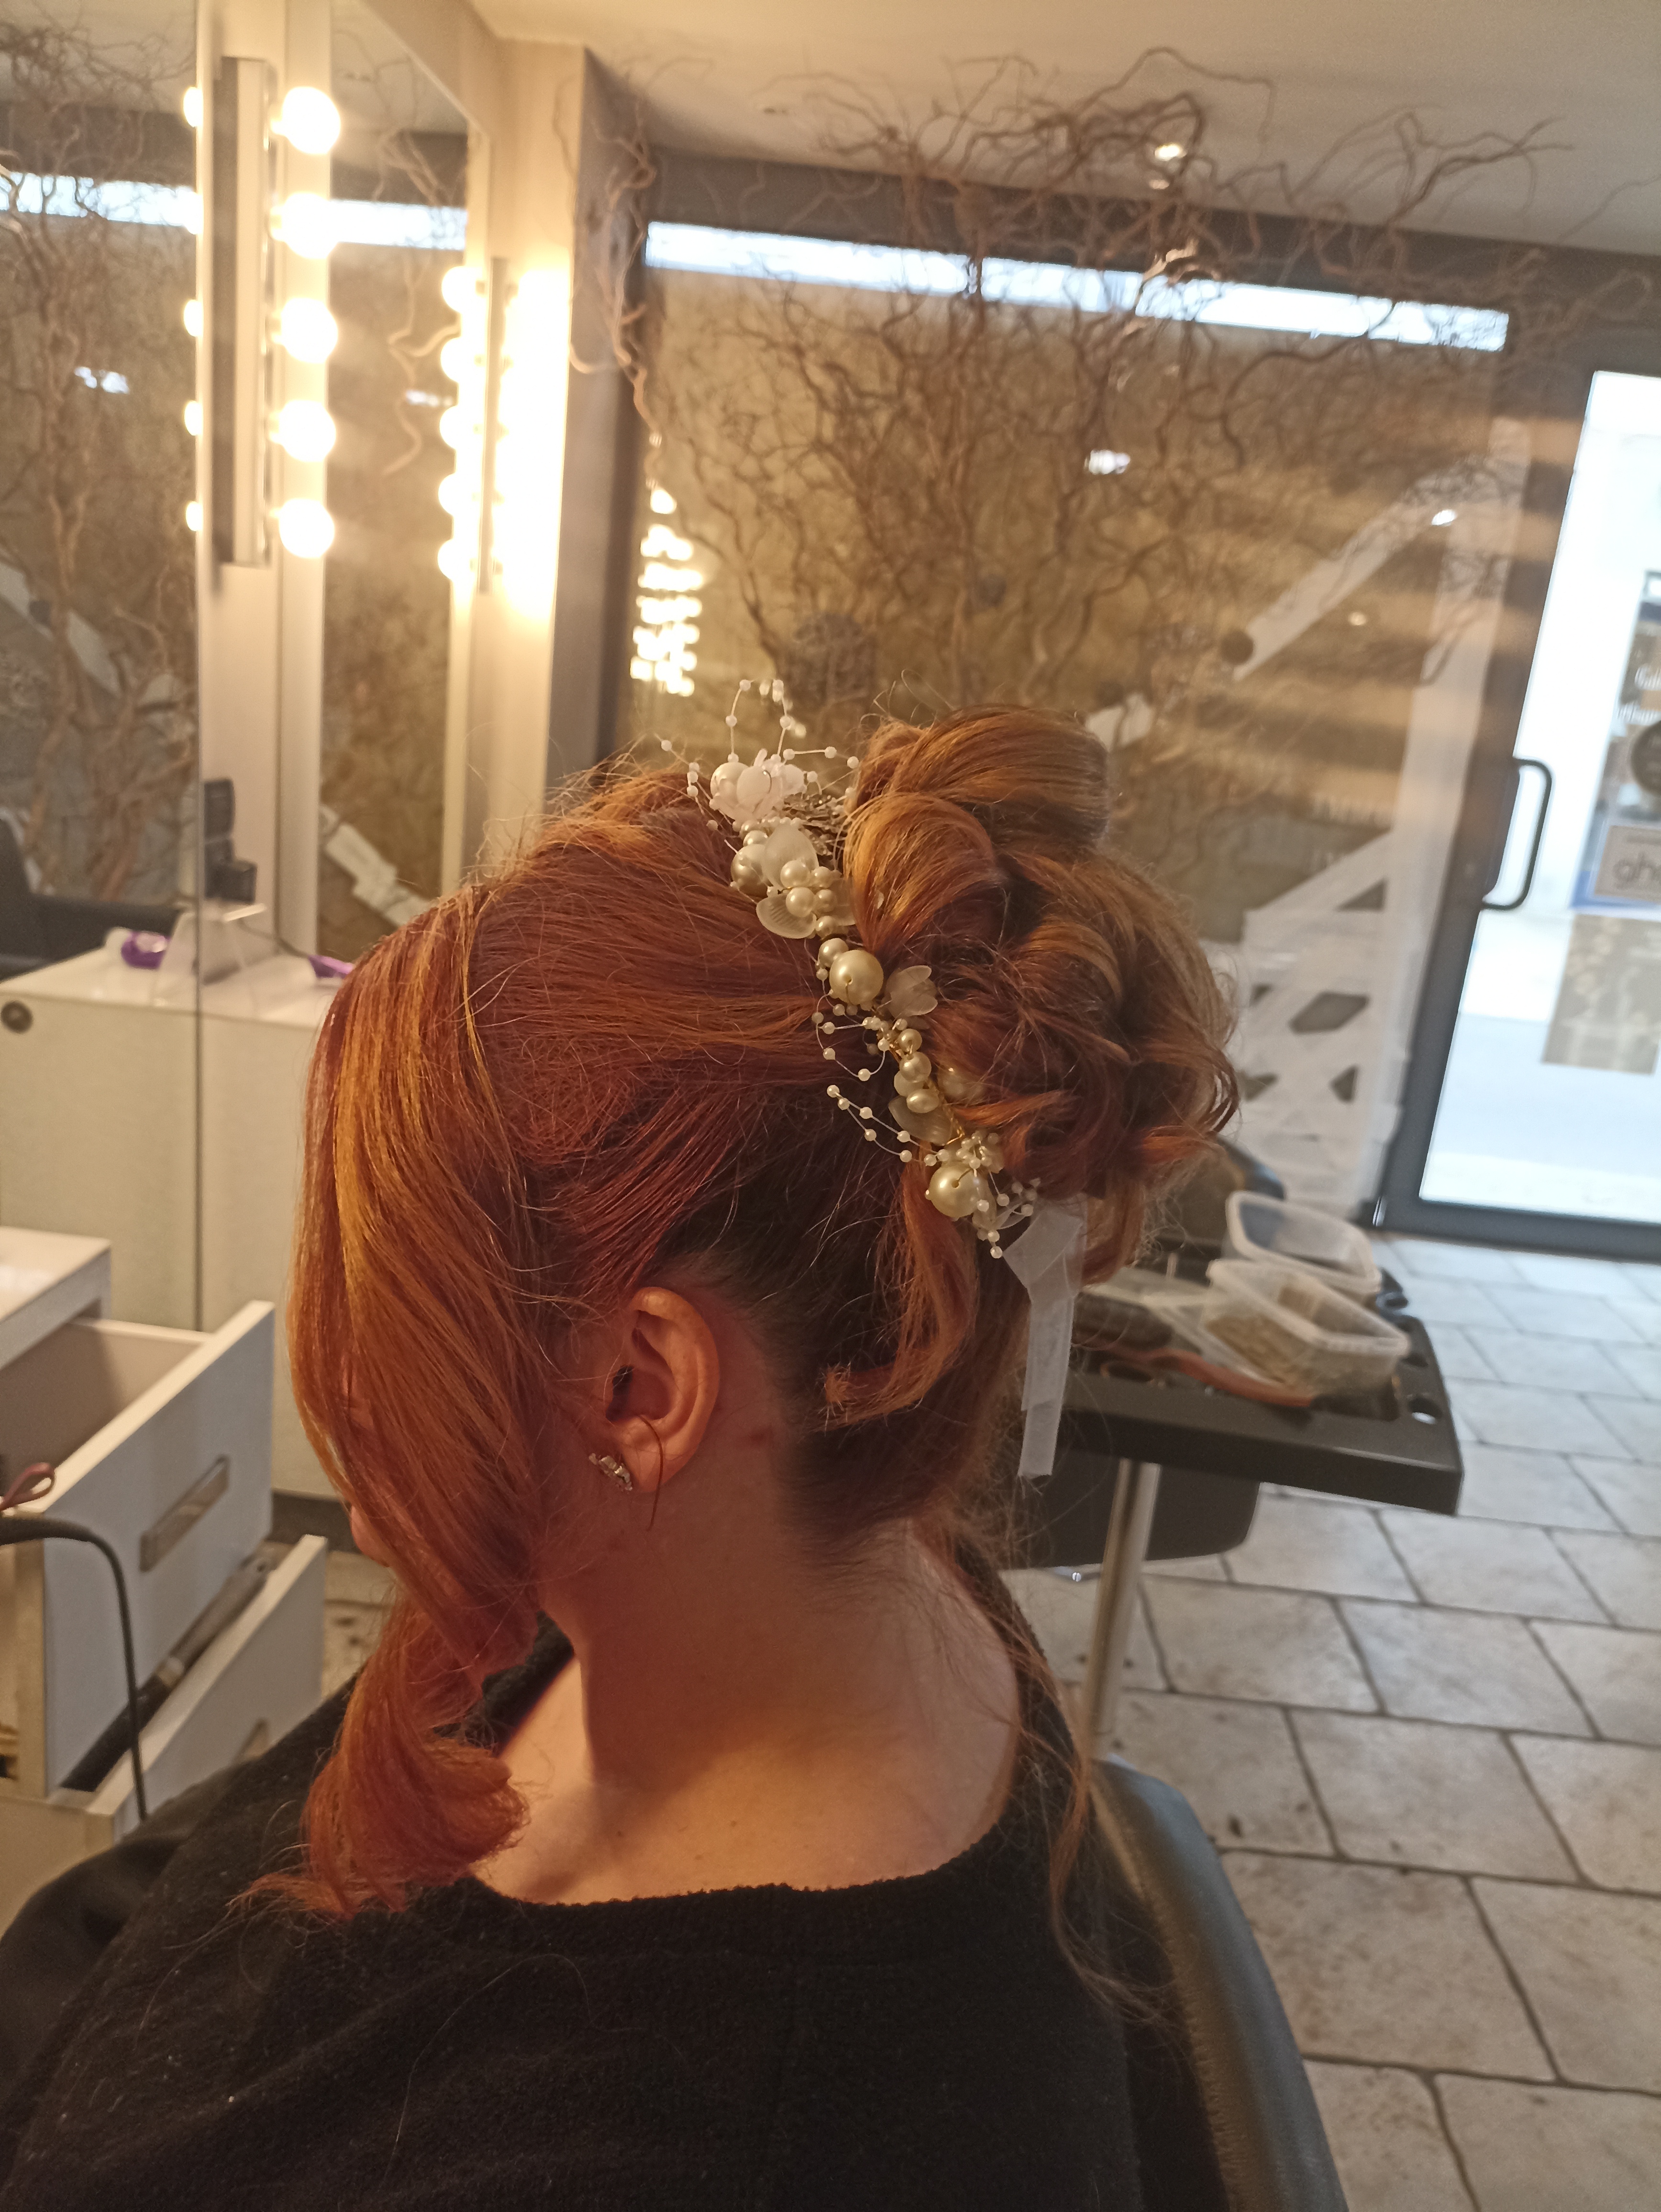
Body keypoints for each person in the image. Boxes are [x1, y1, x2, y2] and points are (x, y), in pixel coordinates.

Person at [0, 703, 1233, 2209]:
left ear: (640, 1388)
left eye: (398, 1297)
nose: (352, 1356)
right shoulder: (791, 1592)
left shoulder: (741, 2138)